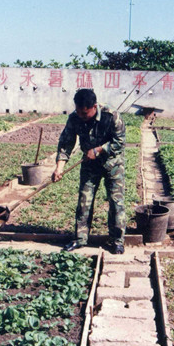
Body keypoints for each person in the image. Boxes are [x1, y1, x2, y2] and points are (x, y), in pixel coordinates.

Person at [52, 89, 126, 254]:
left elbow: (120, 142)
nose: (81, 116)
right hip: (89, 165)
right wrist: (59, 168)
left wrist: (99, 150)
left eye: (84, 113)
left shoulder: (111, 115)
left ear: (94, 106)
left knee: (116, 202)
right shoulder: (74, 118)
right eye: (78, 111)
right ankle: (80, 239)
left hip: (113, 164)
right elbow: (66, 143)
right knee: (84, 201)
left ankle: (117, 241)